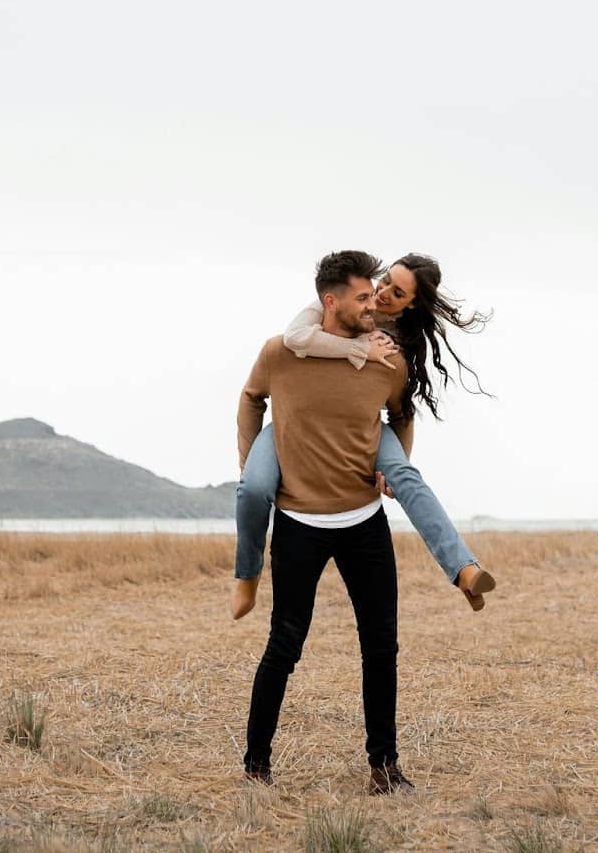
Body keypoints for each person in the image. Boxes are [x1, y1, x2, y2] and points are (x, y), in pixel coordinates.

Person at [237, 250, 418, 793]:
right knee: (284, 645)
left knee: (381, 645)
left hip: (364, 522)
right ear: (330, 301)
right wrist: (252, 468)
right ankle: (256, 765)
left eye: (376, 295)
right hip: (298, 523)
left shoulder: (386, 359)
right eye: (364, 297)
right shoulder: (281, 353)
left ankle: (383, 768)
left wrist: (394, 468)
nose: (375, 305)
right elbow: (251, 399)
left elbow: (402, 413)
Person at [232, 252, 495, 620]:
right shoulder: (343, 302)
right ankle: (247, 574)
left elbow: (401, 412)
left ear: (411, 304)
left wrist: (394, 464)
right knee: (253, 487)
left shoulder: (399, 343)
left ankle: (464, 569)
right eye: (385, 281)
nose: (382, 294)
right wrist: (358, 348)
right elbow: (296, 337)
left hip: (364, 425)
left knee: (407, 477)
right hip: (301, 419)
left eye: (396, 292)